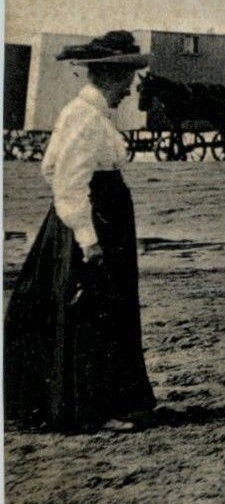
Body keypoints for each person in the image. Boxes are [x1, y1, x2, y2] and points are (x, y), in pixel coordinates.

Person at [4, 32, 156, 433]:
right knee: (93, 311)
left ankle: (99, 402)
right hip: (91, 224)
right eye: (128, 77)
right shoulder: (84, 116)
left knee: (96, 308)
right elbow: (68, 181)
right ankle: (91, 407)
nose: (130, 88)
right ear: (110, 74)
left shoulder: (90, 114)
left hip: (94, 219)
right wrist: (88, 239)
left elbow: (52, 167)